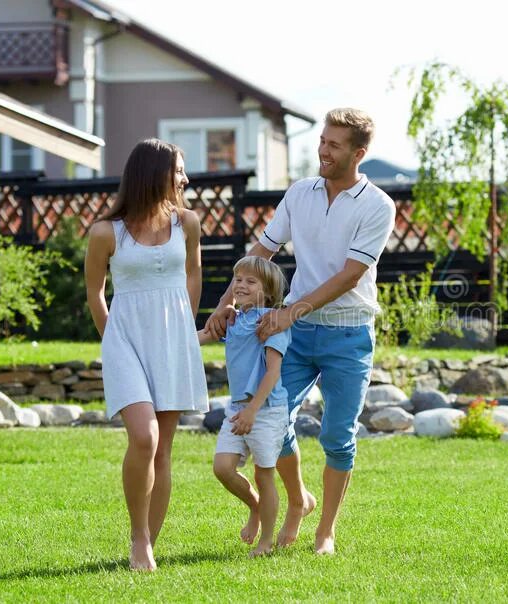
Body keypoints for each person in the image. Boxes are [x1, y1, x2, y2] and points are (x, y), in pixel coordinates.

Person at [205, 108, 396, 555]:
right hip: (298, 329)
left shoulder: (377, 205)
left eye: (334, 145)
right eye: (323, 141)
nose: (322, 150)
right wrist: (224, 303)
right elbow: (262, 252)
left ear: (358, 153)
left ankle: (325, 530)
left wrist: (290, 312)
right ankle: (297, 501)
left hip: (348, 332)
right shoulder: (300, 193)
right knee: (275, 417)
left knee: (337, 434)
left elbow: (351, 274)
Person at [85, 138, 209, 571]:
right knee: (144, 437)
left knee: (163, 449)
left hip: (173, 339)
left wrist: (185, 325)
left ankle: (146, 547)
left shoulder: (187, 222)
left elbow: (193, 272)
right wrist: (111, 338)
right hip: (125, 342)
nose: (184, 178)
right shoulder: (106, 231)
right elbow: (95, 291)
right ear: (153, 172)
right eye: (178, 169)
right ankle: (139, 538)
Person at [198, 256, 291, 557]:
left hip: (265, 410)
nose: (241, 285)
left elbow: (272, 372)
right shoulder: (233, 320)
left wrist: (252, 411)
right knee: (223, 468)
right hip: (237, 408)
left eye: (251, 281)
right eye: (238, 279)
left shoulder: (273, 323)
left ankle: (266, 541)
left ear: (269, 290)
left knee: (265, 476)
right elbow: (198, 338)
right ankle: (255, 506)